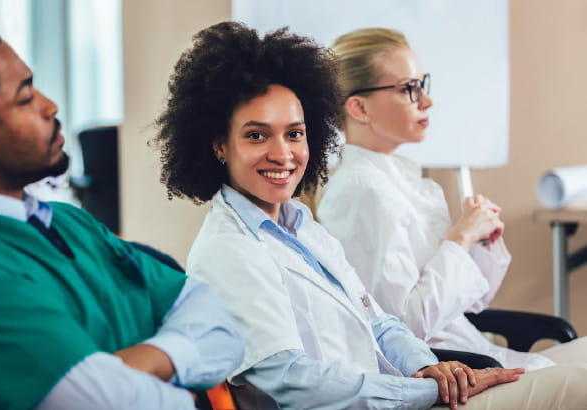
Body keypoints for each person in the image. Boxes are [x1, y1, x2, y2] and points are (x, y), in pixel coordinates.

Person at [154, 21, 587, 410]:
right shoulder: (229, 250)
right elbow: (289, 382)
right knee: (577, 387)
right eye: (256, 135)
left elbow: (380, 321)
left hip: (404, 395)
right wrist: (427, 390)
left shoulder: (301, 226)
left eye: (295, 134)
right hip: (391, 403)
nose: (282, 153)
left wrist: (430, 369)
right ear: (218, 145)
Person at [0, 19, 243, 409]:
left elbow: (220, 326)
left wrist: (141, 364)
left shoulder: (70, 222)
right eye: (24, 98)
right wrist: (182, 372)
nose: (50, 106)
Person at [317, 27, 587, 371]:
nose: (427, 101)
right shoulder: (359, 191)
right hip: (449, 373)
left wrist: (477, 241)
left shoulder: (397, 178)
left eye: (421, 84)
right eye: (408, 89)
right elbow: (403, 329)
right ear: (358, 107)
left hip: (472, 353)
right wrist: (459, 239)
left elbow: (475, 301)